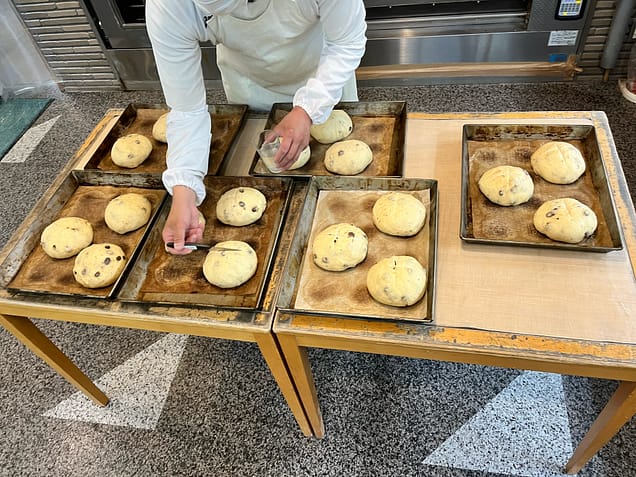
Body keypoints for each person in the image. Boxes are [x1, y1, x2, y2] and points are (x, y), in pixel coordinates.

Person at [145, 0, 367, 254]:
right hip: (250, 84)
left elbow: (346, 43)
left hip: (323, 76)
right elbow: (187, 109)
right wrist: (183, 191)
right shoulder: (168, 6)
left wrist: (308, 109)